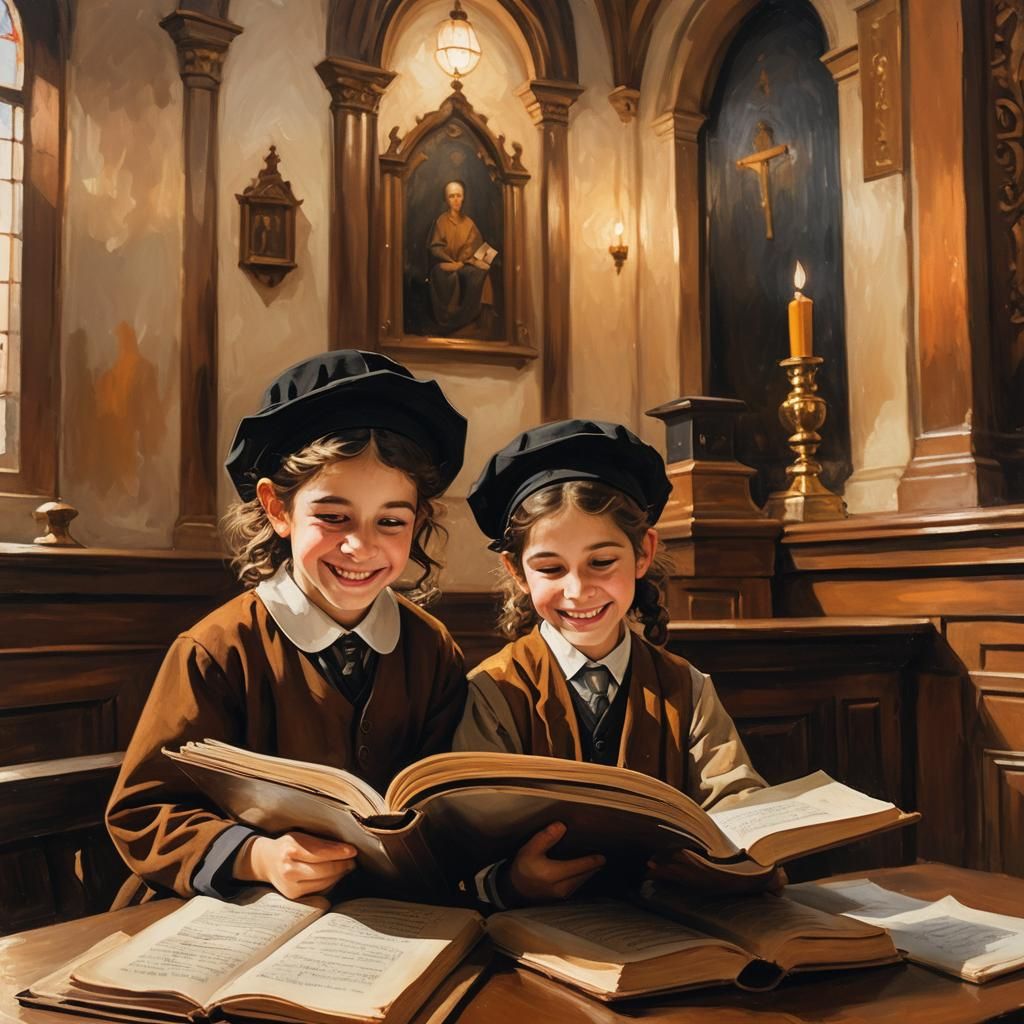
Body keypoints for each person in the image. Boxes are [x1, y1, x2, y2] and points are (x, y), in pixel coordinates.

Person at [106, 351, 468, 902]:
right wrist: (258, 856)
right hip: (231, 908)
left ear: (417, 521)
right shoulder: (218, 649)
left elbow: (445, 801)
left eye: (391, 521)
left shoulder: (431, 649)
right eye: (332, 516)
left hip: (386, 913)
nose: (360, 547)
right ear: (277, 508)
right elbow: (143, 810)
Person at [454, 419, 768, 908]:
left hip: (672, 926)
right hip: (538, 937)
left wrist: (726, 859)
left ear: (643, 552)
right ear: (516, 572)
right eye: (551, 568)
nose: (578, 591)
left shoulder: (686, 688)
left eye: (601, 562)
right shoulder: (495, 691)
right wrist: (512, 881)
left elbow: (740, 804)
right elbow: (461, 843)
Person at [428, 179, 493, 333]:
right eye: (452, 196)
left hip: (464, 265)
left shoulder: (469, 223)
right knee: (447, 275)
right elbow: (435, 247)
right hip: (445, 265)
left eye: (459, 195)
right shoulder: (441, 221)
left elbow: (481, 248)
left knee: (481, 274)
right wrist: (450, 262)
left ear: (463, 197)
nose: (456, 200)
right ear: (446, 199)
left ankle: (472, 319)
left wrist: (481, 260)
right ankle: (450, 319)